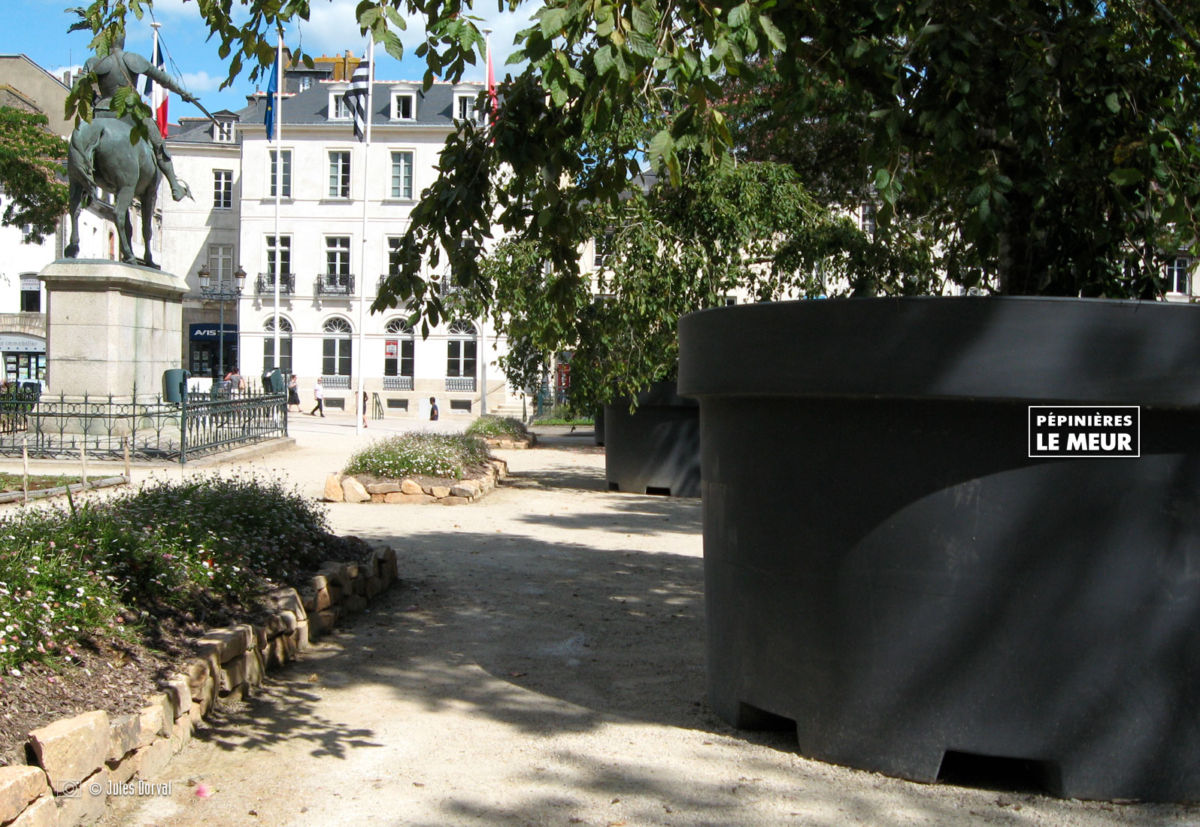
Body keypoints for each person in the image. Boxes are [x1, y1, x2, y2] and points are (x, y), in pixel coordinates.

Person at [79, 27, 197, 200]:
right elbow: (162, 79)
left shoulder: (95, 62)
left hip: (102, 112)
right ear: (123, 41)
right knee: (158, 144)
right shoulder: (132, 59)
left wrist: (94, 101)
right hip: (130, 112)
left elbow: (81, 88)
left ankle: (82, 182)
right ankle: (174, 185)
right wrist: (183, 93)